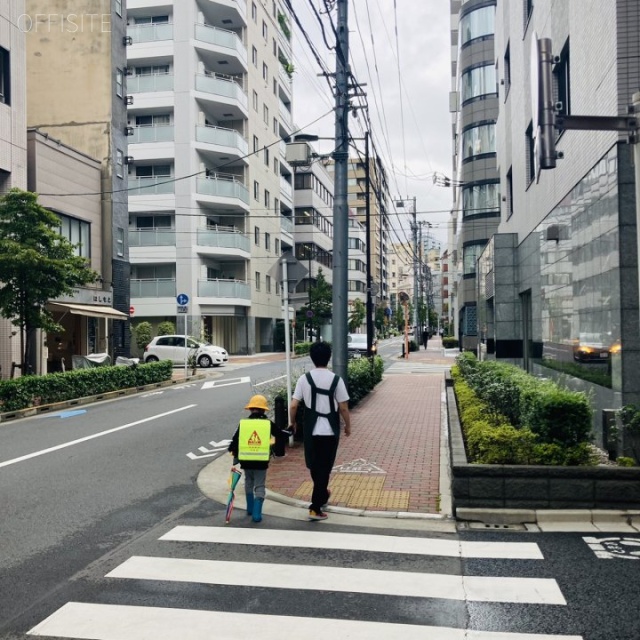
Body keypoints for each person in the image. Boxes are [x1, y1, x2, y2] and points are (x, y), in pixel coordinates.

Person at [289, 341, 351, 521]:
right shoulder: (336, 379)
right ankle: (315, 507)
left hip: (311, 430)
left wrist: (292, 423)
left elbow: (293, 405)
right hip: (330, 431)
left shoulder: (304, 379)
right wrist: (348, 426)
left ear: (312, 358)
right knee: (325, 467)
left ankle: (322, 495)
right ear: (329, 357)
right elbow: (344, 407)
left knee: (315, 466)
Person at [228, 394, 285, 523]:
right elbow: (280, 434)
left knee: (248, 482)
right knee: (259, 485)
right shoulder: (267, 424)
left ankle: (250, 508)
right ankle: (256, 514)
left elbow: (235, 440)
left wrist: (233, 451)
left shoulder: (244, 424)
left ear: (250, 409)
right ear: (264, 410)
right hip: (261, 461)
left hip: (246, 461)